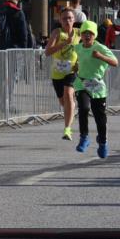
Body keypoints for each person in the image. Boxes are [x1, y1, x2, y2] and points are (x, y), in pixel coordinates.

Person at [74, 20, 119, 159]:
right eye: (84, 33)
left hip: (97, 85)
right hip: (82, 83)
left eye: (90, 33)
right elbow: (76, 61)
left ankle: (103, 142)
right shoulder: (78, 48)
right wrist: (74, 66)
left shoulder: (100, 48)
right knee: (84, 108)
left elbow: (115, 62)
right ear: (81, 35)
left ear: (95, 35)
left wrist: (100, 56)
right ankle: (84, 137)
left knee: (100, 119)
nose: (87, 36)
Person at [45, 8, 79, 141]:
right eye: (64, 18)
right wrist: (65, 43)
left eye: (70, 18)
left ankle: (67, 130)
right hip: (57, 73)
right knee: (63, 101)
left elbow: (85, 48)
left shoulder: (79, 33)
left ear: (74, 20)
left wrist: (80, 63)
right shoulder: (57, 33)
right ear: (60, 20)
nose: (67, 21)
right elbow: (47, 52)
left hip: (71, 71)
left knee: (68, 94)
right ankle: (71, 111)